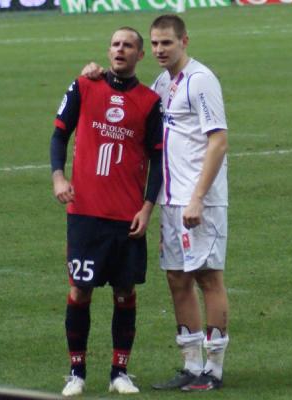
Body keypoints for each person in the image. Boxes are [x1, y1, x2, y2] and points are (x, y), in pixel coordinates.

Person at [81, 14, 230, 392]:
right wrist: (95, 74)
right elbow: (128, 100)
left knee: (208, 277)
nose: (162, 49)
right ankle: (191, 364)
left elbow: (218, 141)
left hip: (201, 201)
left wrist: (197, 197)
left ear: (184, 41)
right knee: (177, 279)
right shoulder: (162, 84)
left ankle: (213, 369)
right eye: (157, 43)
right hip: (171, 201)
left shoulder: (201, 81)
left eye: (168, 42)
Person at [50, 27, 163, 396]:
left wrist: (148, 209)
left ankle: (119, 372)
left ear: (139, 55)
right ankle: (76, 372)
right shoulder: (85, 85)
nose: (120, 50)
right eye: (115, 44)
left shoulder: (150, 101)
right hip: (85, 212)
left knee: (124, 291)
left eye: (128, 45)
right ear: (108, 50)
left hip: (127, 215)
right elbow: (59, 134)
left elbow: (160, 160)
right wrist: (58, 178)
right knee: (80, 291)